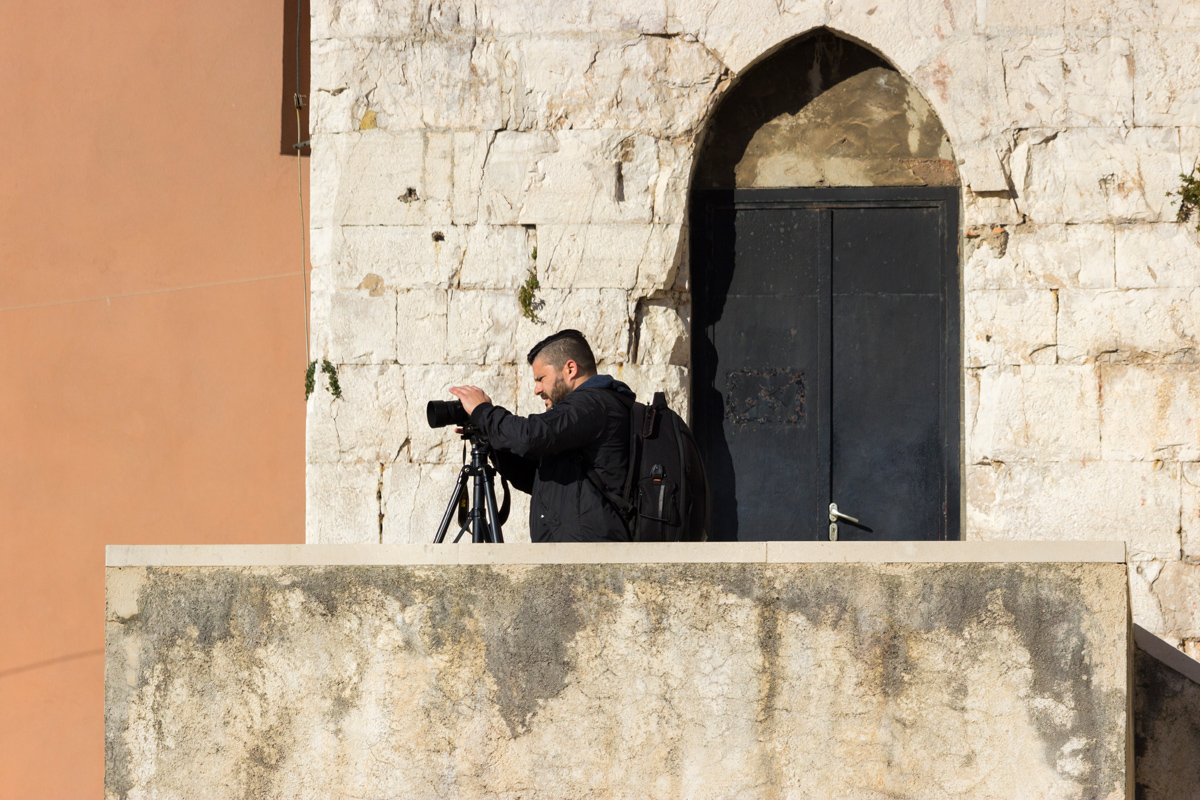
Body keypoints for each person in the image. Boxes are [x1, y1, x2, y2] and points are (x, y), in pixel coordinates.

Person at [448, 329, 634, 543]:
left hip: (587, 559)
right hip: (575, 555)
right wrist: (489, 439)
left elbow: (531, 435)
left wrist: (483, 412)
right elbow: (537, 478)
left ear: (570, 369)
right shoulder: (589, 412)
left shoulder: (592, 404)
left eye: (541, 378)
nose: (537, 389)